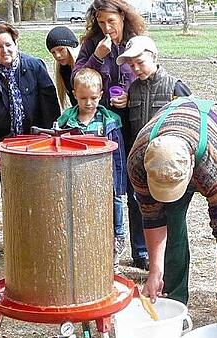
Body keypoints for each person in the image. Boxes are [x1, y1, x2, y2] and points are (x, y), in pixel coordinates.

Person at [127, 97, 217, 325]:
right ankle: (174, 308)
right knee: (171, 222)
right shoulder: (138, 162)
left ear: (191, 169)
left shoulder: (214, 168)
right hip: (175, 140)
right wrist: (155, 271)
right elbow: (152, 217)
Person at [75, 0, 149, 270]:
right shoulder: (93, 44)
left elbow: (147, 75)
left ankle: (141, 251)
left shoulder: (136, 41)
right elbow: (78, 78)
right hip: (104, 126)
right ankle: (104, 248)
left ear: (123, 18)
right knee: (107, 188)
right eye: (102, 22)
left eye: (112, 22)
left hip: (133, 123)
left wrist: (132, 97)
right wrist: (98, 56)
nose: (107, 27)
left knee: (137, 188)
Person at [116, 35, 191, 265]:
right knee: (139, 206)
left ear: (153, 56)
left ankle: (170, 260)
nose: (136, 68)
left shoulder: (175, 87)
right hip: (141, 162)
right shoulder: (133, 90)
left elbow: (190, 123)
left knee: (170, 211)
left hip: (167, 162)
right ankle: (141, 254)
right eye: (132, 65)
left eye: (140, 62)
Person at [55, 68, 127, 272]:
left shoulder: (110, 122)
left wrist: (119, 184)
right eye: (83, 98)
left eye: (93, 98)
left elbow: (118, 155)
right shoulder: (65, 122)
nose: (88, 103)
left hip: (105, 181)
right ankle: (83, 255)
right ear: (74, 94)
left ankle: (113, 257)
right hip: (77, 180)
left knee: (114, 213)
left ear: (101, 96)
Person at [0, 23, 61, 168]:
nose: (5, 50)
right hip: (6, 144)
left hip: (38, 142)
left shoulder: (35, 67)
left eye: (8, 45)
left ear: (16, 44)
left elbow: (50, 107)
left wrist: (51, 139)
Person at [45, 26, 79, 110]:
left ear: (71, 48)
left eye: (61, 50)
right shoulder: (63, 70)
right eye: (53, 52)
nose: (57, 56)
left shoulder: (85, 66)